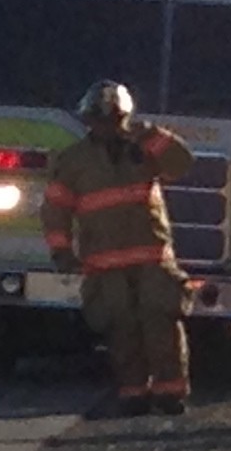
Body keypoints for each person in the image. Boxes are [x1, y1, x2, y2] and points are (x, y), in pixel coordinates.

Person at [44, 80, 194, 416]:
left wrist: (150, 137)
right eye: (99, 120)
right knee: (121, 330)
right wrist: (61, 250)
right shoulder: (74, 161)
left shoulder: (145, 148)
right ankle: (133, 394)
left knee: (162, 326)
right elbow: (55, 208)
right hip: (105, 265)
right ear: (87, 121)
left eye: (113, 119)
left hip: (152, 260)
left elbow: (182, 163)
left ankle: (171, 393)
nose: (106, 126)